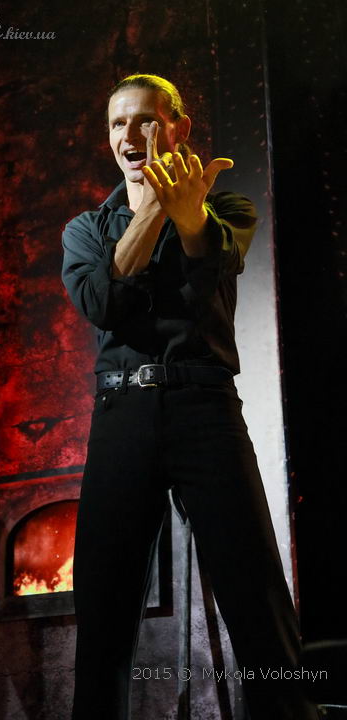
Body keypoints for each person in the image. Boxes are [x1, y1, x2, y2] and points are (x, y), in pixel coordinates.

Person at [61, 73, 320, 720]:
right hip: (121, 414)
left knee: (256, 594)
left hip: (205, 409)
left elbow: (213, 268)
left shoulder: (225, 208)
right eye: (118, 123)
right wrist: (153, 207)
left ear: (178, 127)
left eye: (146, 120)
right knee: (103, 609)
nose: (130, 135)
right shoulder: (86, 229)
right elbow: (100, 303)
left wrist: (184, 213)